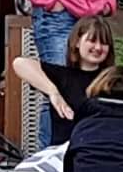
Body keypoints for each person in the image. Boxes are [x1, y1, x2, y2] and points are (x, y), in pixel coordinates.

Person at [10, 14, 116, 149]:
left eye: (104, 43)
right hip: (63, 156)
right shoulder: (62, 76)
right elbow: (20, 64)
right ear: (77, 42)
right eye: (92, 41)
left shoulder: (113, 80)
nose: (98, 47)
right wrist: (53, 92)